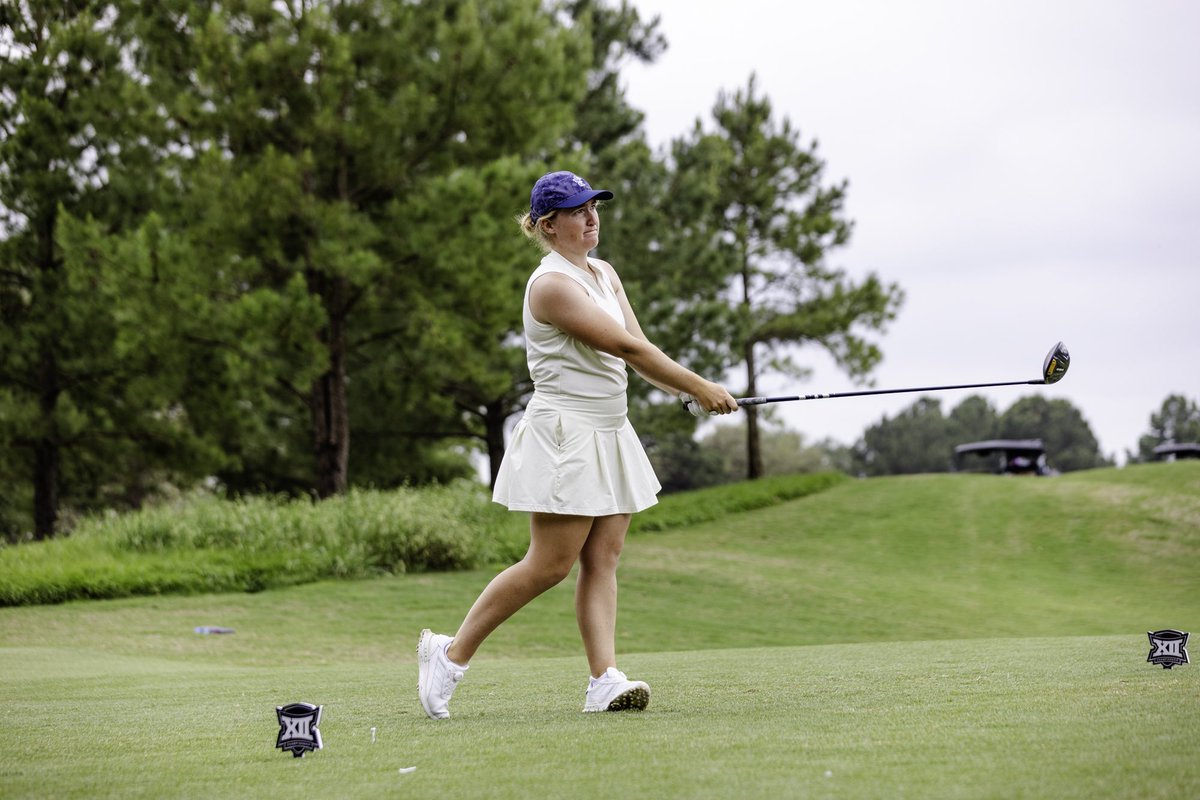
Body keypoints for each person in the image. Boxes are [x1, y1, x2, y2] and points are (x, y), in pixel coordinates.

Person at [417, 170, 738, 720]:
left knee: (604, 558)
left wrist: (683, 393)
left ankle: (603, 680)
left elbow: (637, 346)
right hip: (566, 430)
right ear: (548, 225)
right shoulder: (551, 286)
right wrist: (698, 386)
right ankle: (448, 655)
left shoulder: (603, 273)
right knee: (548, 564)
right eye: (577, 210)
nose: (591, 217)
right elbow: (623, 347)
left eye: (595, 206)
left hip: (611, 427)